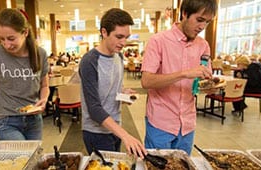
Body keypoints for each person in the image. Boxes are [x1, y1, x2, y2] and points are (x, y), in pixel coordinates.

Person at [140, 0, 217, 155]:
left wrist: (210, 84)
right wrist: (184, 74)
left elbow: (203, 83)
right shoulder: (158, 41)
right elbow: (146, 81)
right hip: (160, 122)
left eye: (207, 22)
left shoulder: (204, 46)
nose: (202, 27)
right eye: (199, 20)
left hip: (187, 124)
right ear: (184, 14)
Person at [0, 8, 49, 149]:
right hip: (5, 119)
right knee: (22, 154)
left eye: (11, 38)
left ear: (25, 32)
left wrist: (44, 100)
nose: (6, 44)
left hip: (33, 119)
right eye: (2, 39)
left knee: (34, 158)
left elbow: (44, 86)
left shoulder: (40, 54)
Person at [79, 8, 146, 158]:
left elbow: (111, 89)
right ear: (104, 32)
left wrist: (123, 94)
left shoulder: (119, 57)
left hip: (115, 126)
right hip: (96, 132)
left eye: (126, 37)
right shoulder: (89, 61)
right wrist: (126, 135)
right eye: (119, 36)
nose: (124, 42)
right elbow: (94, 108)